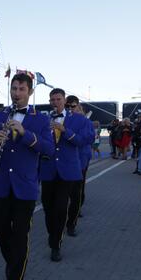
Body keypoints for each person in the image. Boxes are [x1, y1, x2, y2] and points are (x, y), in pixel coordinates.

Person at [0, 73, 54, 280]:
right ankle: (15, 263)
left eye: (21, 89)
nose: (17, 93)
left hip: (25, 187)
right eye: (14, 88)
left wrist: (25, 134)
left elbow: (49, 149)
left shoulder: (39, 119)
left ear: (29, 92)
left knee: (20, 237)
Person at [39, 89, 90, 262]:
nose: (55, 102)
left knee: (61, 208)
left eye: (58, 99)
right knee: (47, 207)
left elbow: (83, 141)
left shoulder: (78, 119)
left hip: (67, 170)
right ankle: (52, 234)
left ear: (64, 100)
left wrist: (65, 130)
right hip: (47, 169)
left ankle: (56, 245)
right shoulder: (43, 120)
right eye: (52, 99)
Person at [65, 97, 95, 233]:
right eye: (68, 106)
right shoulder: (62, 118)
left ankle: (73, 218)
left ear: (79, 107)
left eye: (73, 106)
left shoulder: (85, 121)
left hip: (80, 159)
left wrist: (72, 135)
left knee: (78, 189)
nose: (70, 109)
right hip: (66, 160)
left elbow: (88, 139)